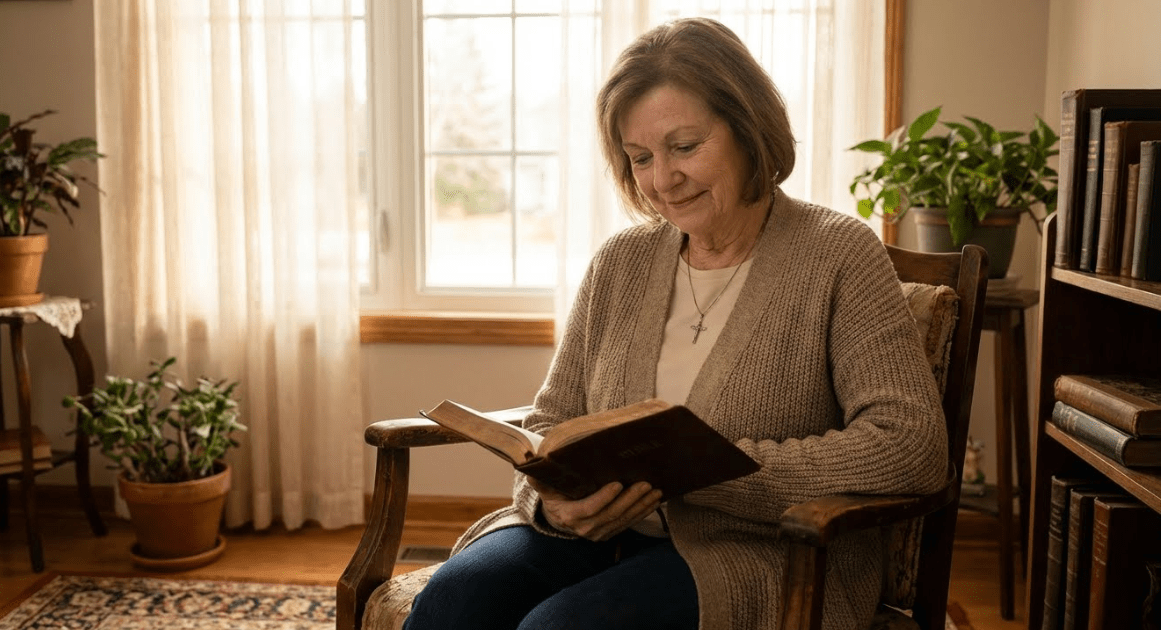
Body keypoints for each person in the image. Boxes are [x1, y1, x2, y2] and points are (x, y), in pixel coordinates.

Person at [402, 17, 948, 630]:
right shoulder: (620, 262)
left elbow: (911, 444)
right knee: (454, 602)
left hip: (751, 550)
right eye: (641, 158)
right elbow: (552, 419)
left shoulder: (839, 254)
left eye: (685, 147)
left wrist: (710, 475)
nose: (663, 180)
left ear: (747, 128)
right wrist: (553, 505)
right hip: (589, 536)